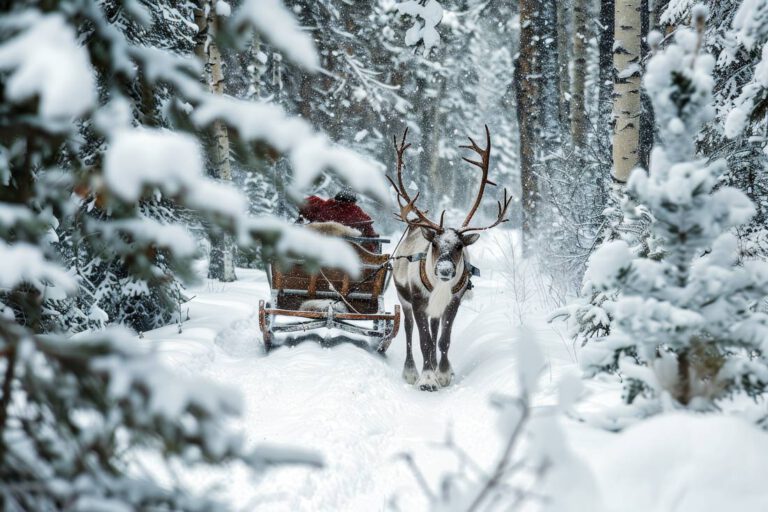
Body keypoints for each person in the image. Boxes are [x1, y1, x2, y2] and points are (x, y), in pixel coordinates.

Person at [299, 187, 378, 238]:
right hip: (347, 249)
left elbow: (306, 204)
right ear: (353, 201)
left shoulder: (324, 206)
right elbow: (368, 228)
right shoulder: (355, 211)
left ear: (336, 197)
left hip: (320, 243)